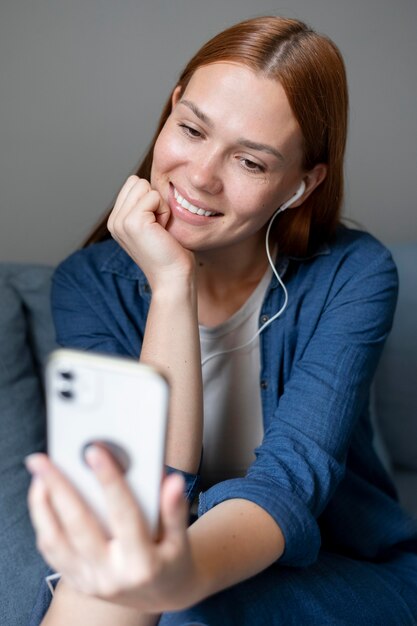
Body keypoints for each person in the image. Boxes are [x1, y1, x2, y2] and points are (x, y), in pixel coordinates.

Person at [25, 15, 417, 626]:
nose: (202, 176)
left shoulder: (355, 275)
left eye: (251, 163)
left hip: (344, 569)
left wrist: (172, 576)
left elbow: (289, 484)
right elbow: (148, 492)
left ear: (301, 185)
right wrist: (171, 284)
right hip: (171, 558)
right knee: (111, 586)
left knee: (158, 601)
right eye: (191, 130)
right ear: (171, 109)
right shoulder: (89, 282)